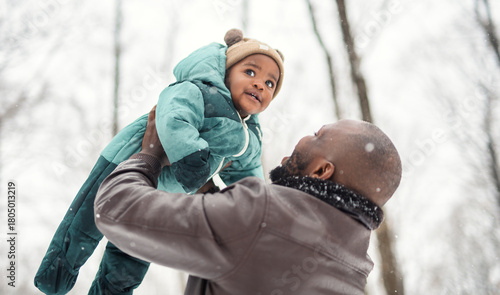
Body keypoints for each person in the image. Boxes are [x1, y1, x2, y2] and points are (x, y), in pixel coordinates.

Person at [34, 29, 284, 295]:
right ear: (226, 72)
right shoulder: (201, 91)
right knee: (86, 224)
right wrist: (193, 162)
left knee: (131, 258)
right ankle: (56, 275)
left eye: (270, 83)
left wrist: (255, 210)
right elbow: (173, 115)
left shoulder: (249, 137)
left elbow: (248, 174)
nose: (260, 84)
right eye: (250, 72)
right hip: (124, 163)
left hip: (162, 197)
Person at [94, 107, 403, 295]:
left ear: (322, 171)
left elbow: (115, 208)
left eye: (317, 135)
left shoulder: (260, 213)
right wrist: (205, 187)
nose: (304, 138)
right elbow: (252, 253)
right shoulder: (354, 270)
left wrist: (149, 154)